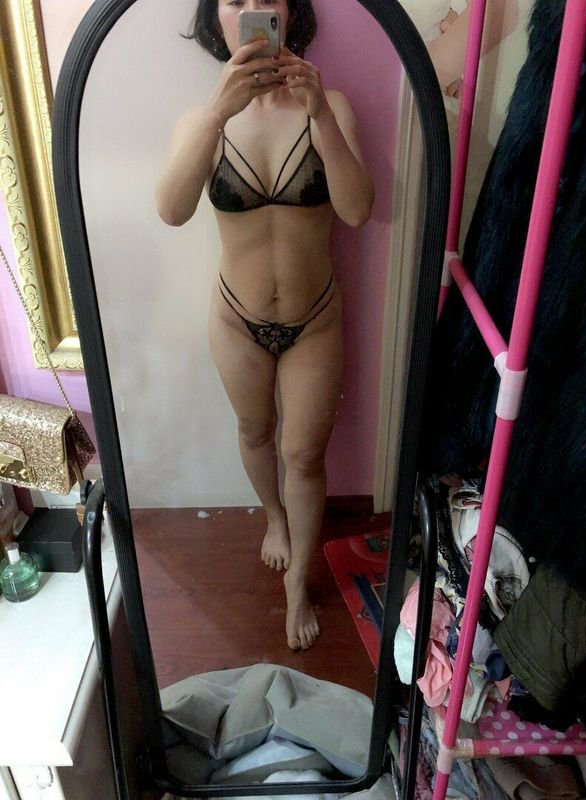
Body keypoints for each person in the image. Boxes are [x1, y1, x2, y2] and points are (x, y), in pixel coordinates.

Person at [156, 0, 374, 651]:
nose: (253, 10)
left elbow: (358, 210)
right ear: (215, 20)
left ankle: (298, 582)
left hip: (314, 320)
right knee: (255, 430)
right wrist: (217, 113)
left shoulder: (330, 103)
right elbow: (171, 210)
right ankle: (274, 518)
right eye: (235, 1)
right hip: (236, 319)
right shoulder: (200, 118)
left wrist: (321, 114)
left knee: (303, 454)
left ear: (290, 12)